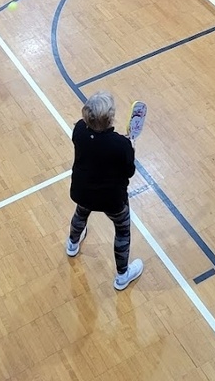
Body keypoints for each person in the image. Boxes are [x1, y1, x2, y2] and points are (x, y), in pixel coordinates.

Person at [64, 92, 144, 291]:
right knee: (123, 231)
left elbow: (97, 147)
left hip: (83, 191)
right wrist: (130, 149)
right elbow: (129, 171)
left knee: (81, 212)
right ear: (110, 118)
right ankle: (122, 276)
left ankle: (72, 245)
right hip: (112, 199)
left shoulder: (79, 130)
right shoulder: (121, 145)